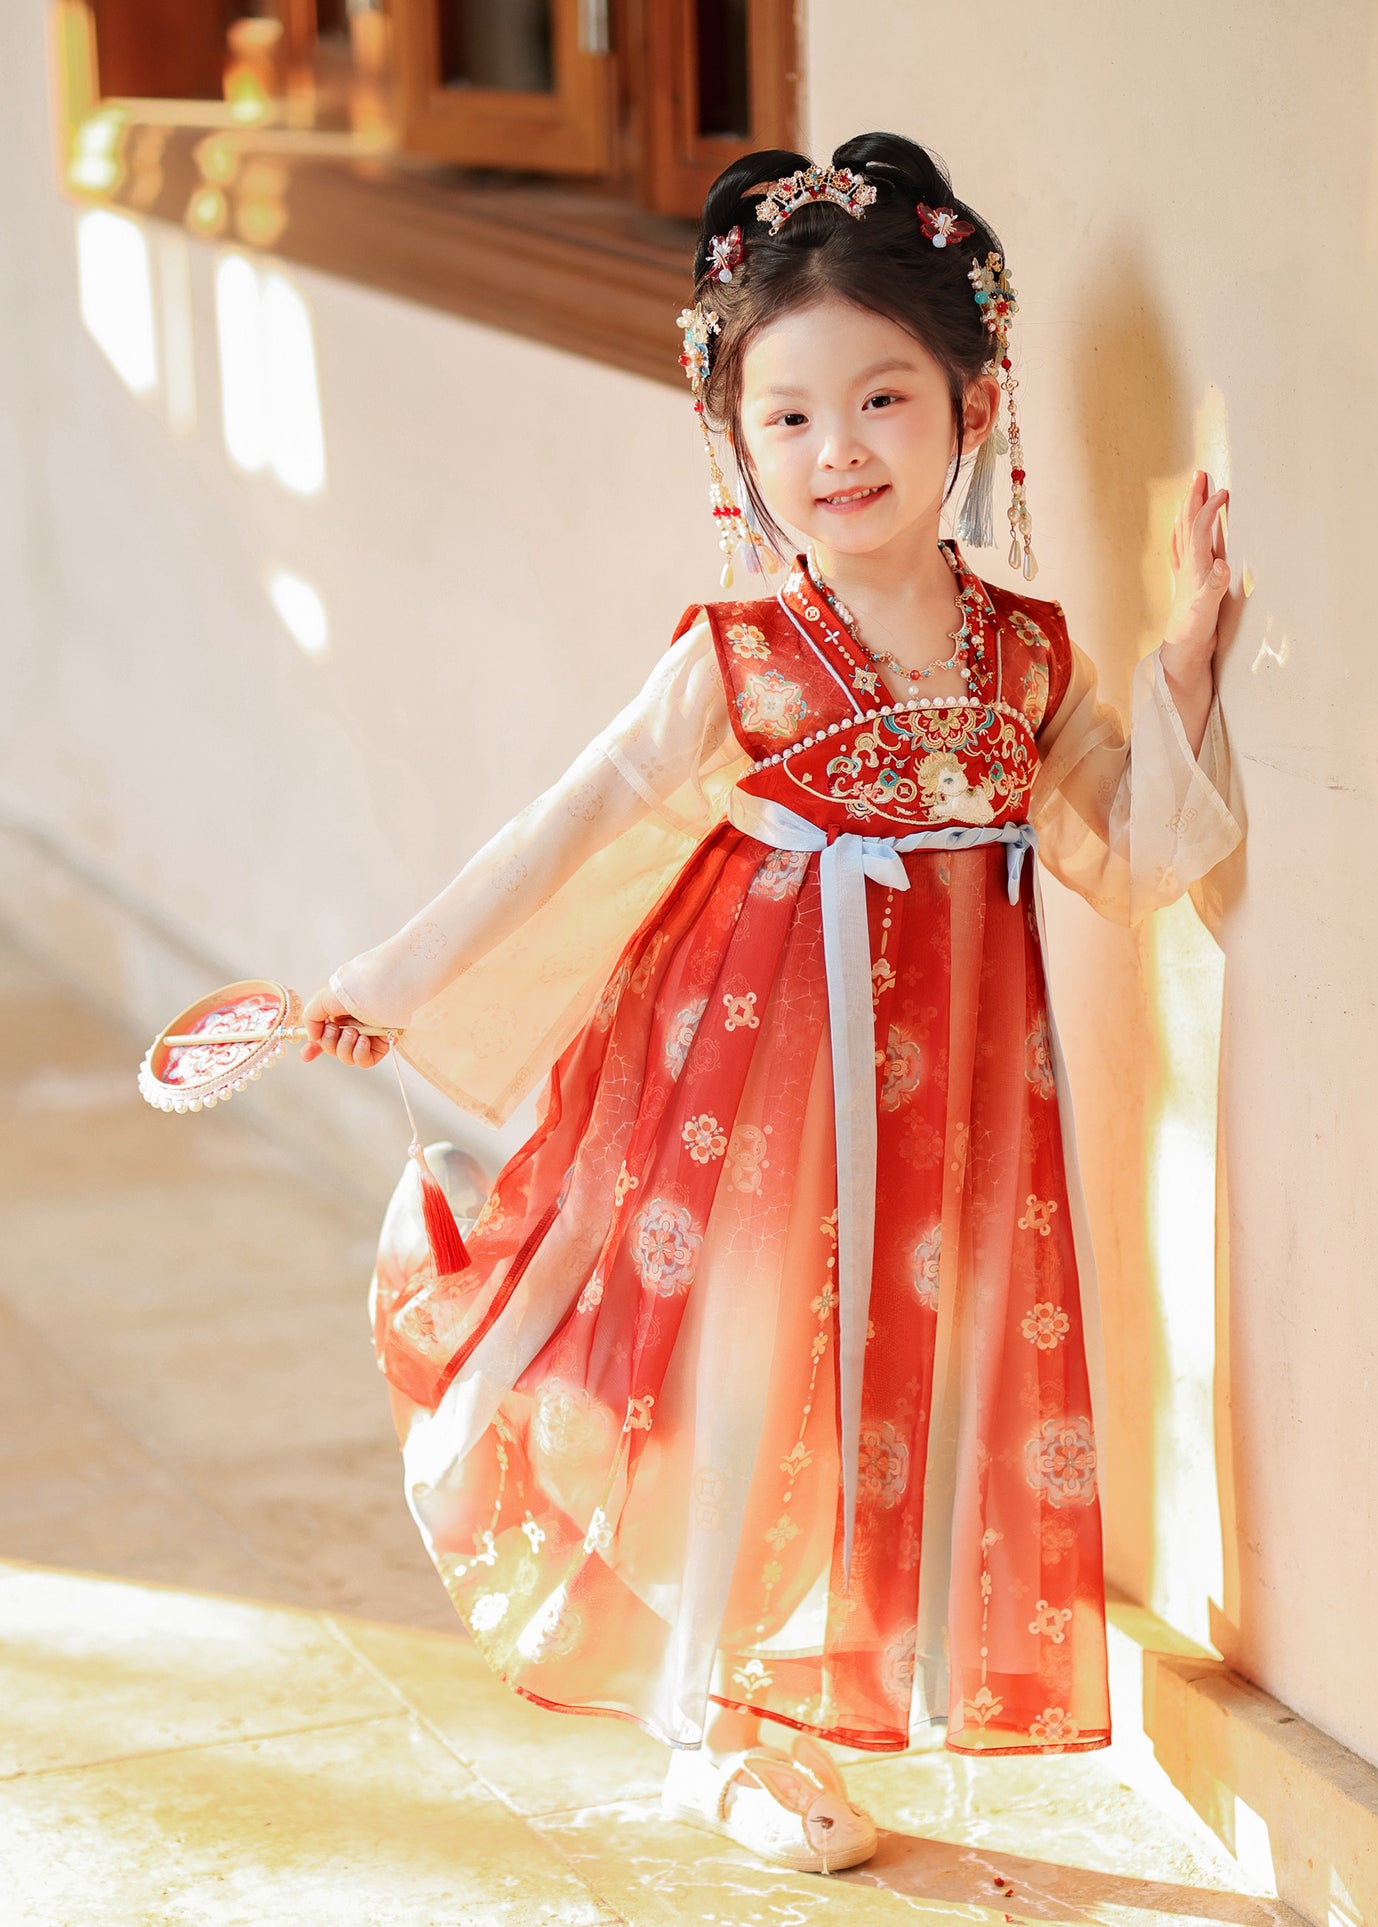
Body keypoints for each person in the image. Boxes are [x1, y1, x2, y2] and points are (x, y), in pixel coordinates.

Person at [301, 132, 1242, 1876]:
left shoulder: (1026, 654)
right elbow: (566, 825)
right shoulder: (736, 657)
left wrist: (1182, 662)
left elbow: (1131, 856)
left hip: (954, 1080)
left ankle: (823, 1694)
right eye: (789, 416)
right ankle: (713, 1725)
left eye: (883, 400)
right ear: (734, 437)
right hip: (750, 1076)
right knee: (742, 1373)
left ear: (971, 398)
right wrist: (386, 983)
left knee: (904, 1374)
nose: (837, 452)